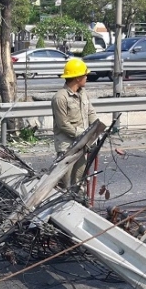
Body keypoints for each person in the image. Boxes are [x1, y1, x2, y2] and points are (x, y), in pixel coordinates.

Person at [51, 58, 97, 192]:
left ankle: (79, 205)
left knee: (79, 182)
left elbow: (91, 112)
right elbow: (63, 124)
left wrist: (98, 130)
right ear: (77, 78)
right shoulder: (60, 98)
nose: (86, 77)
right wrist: (84, 134)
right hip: (67, 148)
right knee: (65, 185)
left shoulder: (83, 94)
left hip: (82, 145)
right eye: (85, 74)